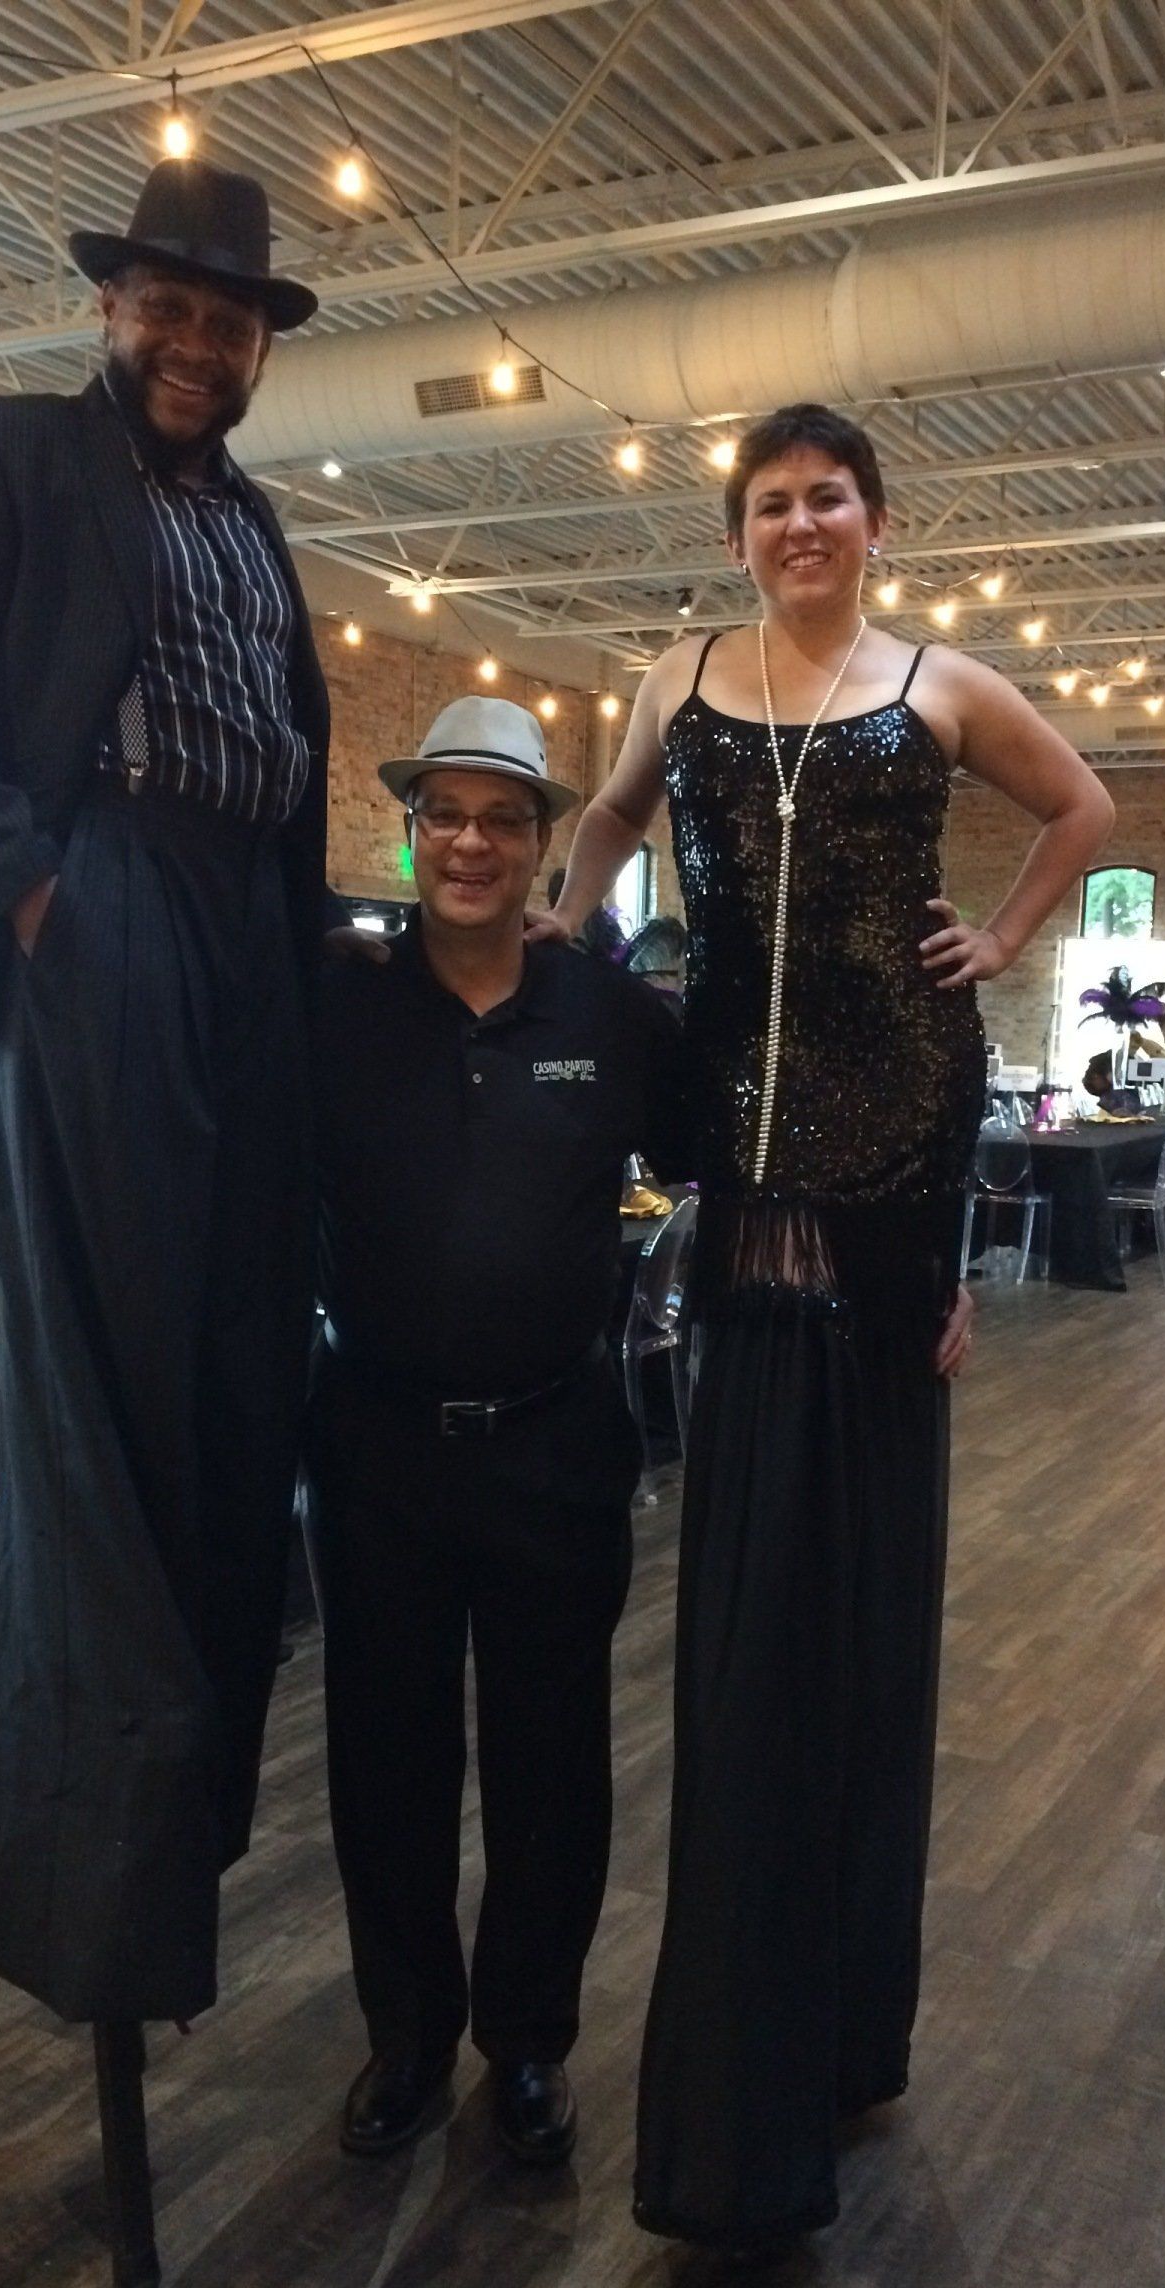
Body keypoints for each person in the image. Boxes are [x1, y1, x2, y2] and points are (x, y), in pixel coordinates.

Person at [538, 401, 1112, 2251]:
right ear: (739, 532)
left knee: (862, 1617)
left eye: (829, 498)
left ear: (876, 521)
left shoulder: (938, 685)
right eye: (773, 502)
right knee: (751, 1625)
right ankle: (753, 2070)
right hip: (739, 1171)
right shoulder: (679, 679)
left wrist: (1003, 940)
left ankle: (848, 2026)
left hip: (899, 1161)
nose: (802, 523)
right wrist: (566, 943)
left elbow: (1084, 807)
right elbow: (607, 821)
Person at [0, 162, 329, 2230]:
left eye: (229, 319)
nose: (198, 342)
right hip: (104, 900)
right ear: (114, 306)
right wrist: (39, 894)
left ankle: (181, 1840)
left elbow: (288, 758)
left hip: (246, 940)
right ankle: (104, 1891)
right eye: (172, 304)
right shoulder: (7, 450)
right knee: (118, 1419)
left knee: (238, 1402)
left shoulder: (257, 522)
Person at [310, 698, 685, 2169]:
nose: (471, 844)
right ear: (412, 834)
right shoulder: (334, 1003)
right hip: (379, 1448)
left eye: (502, 819)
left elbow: (736, 1156)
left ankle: (527, 2043)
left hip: (556, 1445)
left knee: (552, 1767)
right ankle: (405, 2038)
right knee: (384, 1762)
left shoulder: (611, 1018)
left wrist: (923, 1278)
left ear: (542, 845)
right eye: (446, 817)